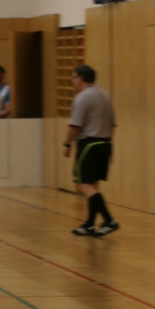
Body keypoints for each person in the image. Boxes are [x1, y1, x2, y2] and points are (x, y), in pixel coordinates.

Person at [63, 64, 119, 237]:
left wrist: (67, 144)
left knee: (83, 184)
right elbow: (113, 125)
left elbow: (75, 126)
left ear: (80, 78)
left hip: (89, 144)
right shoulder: (105, 95)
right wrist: (107, 145)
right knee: (93, 185)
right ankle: (89, 224)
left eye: (73, 78)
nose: (73, 81)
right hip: (105, 144)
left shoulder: (82, 97)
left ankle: (109, 220)